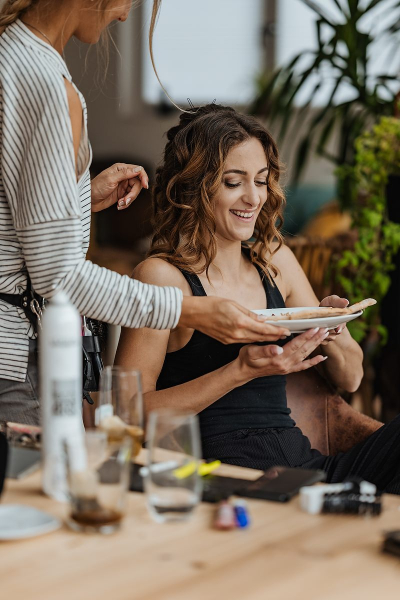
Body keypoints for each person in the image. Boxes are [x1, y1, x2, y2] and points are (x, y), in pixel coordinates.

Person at [0, 1, 288, 425]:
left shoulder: (12, 56)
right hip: (13, 360)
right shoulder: (44, 83)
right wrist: (186, 310)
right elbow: (57, 276)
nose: (125, 15)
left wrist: (79, 196)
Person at [116, 104, 400, 494]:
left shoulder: (274, 259)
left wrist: (332, 328)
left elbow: (350, 378)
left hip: (308, 469)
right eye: (234, 182)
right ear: (194, 185)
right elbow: (126, 413)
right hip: (230, 476)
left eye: (262, 181)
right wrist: (239, 371)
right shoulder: (163, 278)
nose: (254, 198)